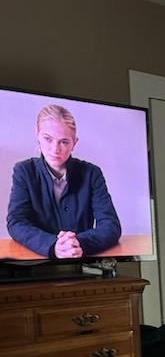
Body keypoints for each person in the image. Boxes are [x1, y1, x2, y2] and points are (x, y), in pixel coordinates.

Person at [7, 104, 122, 259]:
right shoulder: (24, 171)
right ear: (37, 134)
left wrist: (78, 243)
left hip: (81, 264)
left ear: (75, 142)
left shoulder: (91, 173)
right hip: (37, 265)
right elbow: (17, 223)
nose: (55, 149)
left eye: (64, 142)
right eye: (48, 139)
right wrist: (53, 245)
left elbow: (111, 225)